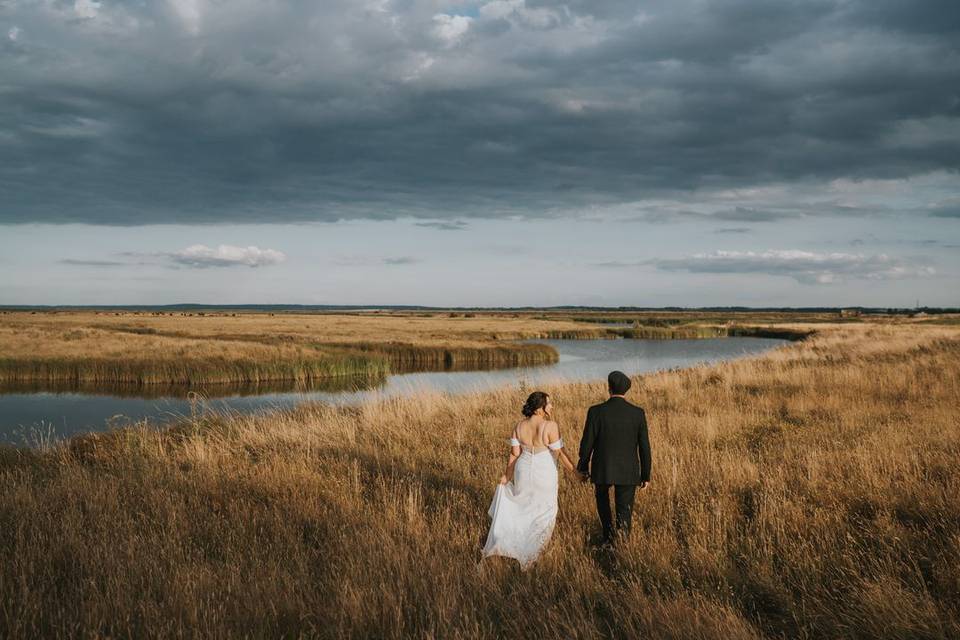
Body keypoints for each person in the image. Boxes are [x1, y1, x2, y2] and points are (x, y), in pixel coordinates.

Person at [482, 391, 577, 568]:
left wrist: (507, 476)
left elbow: (514, 454)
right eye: (549, 403)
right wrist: (575, 473)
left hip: (523, 470)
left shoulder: (519, 426)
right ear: (540, 408)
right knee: (545, 509)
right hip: (544, 470)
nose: (551, 406)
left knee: (525, 505)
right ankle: (532, 551)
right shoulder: (550, 426)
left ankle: (514, 542)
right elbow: (560, 454)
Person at [577, 371, 652, 545]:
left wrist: (582, 466)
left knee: (602, 501)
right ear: (626, 390)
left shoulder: (595, 411)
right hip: (628, 470)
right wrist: (646, 475)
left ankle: (608, 536)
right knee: (624, 509)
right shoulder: (637, 413)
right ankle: (623, 541)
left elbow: (587, 443)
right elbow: (645, 447)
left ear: (609, 388)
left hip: (602, 468)